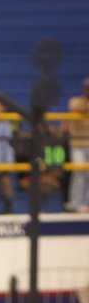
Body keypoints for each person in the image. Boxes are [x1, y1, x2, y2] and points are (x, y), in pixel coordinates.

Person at [65, 77, 89, 212]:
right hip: (77, 143)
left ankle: (86, 204)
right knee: (79, 172)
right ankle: (75, 203)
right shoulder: (75, 101)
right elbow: (74, 108)